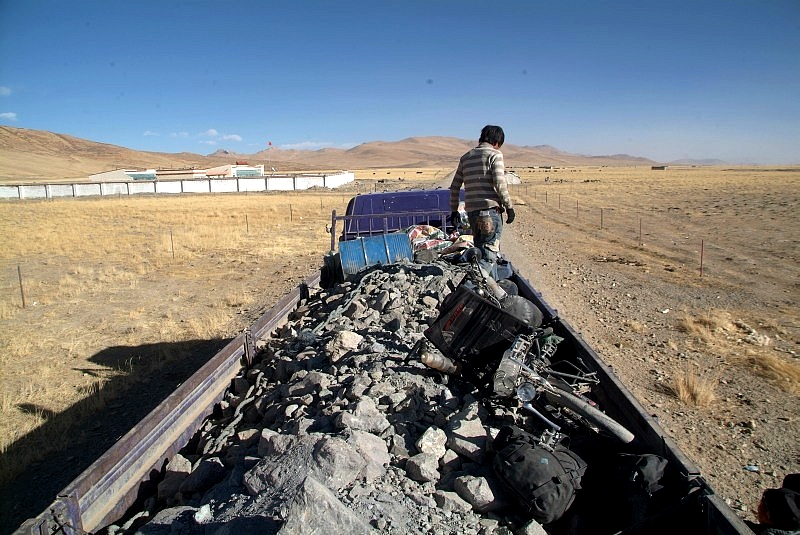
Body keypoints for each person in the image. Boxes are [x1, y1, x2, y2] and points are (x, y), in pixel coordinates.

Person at [449, 125, 515, 269]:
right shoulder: (495, 155)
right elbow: (499, 183)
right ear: (497, 142)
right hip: (490, 213)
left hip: (472, 214)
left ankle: (481, 281)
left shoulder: (465, 157)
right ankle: (480, 282)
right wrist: (509, 207)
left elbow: (454, 187)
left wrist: (454, 210)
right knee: (489, 257)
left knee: (480, 253)